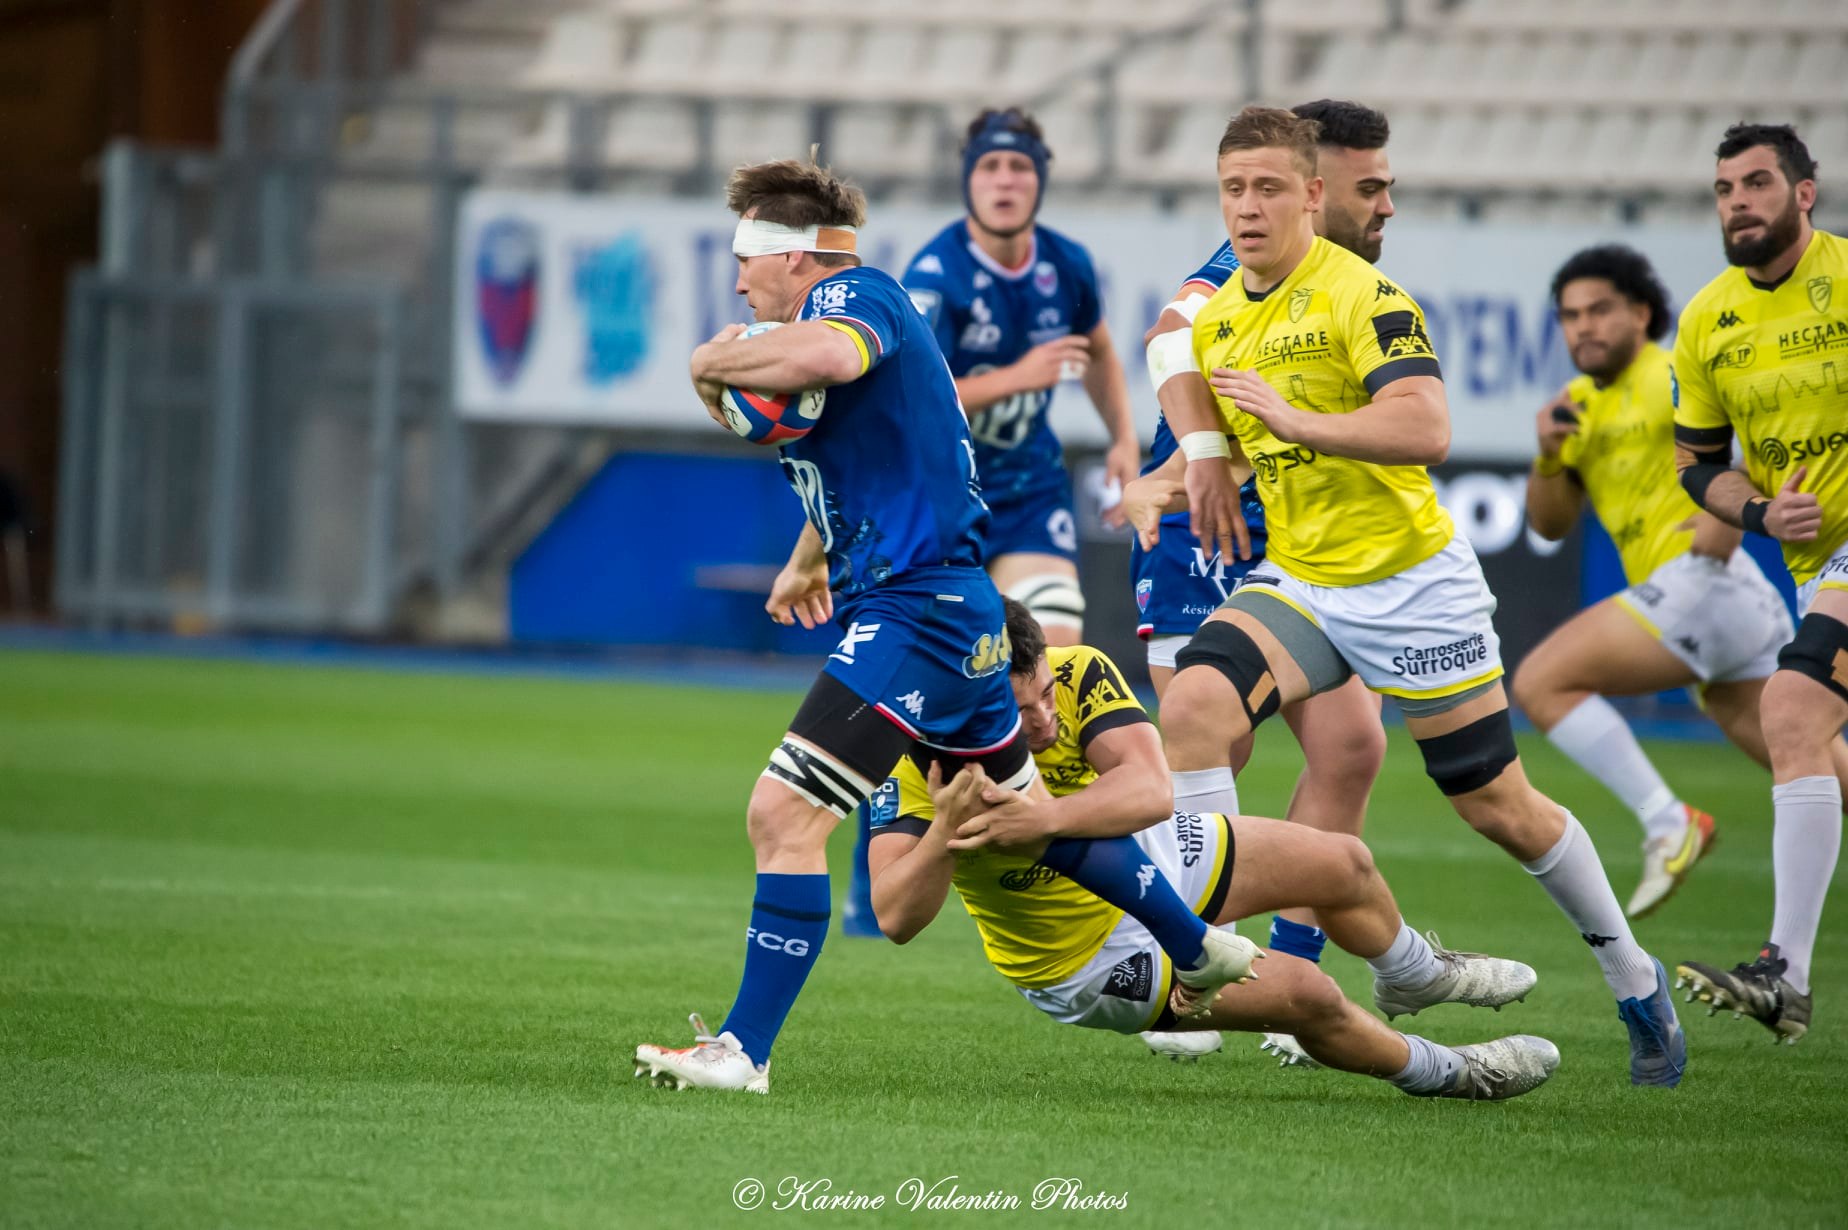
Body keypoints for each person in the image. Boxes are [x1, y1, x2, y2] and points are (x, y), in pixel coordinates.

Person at [634, 156, 1256, 1094]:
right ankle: (1192, 941)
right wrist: (808, 557)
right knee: (1012, 812)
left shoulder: (858, 294)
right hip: (950, 607)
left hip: (916, 611)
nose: (738, 280)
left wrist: (706, 359)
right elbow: (848, 446)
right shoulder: (825, 322)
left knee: (784, 812)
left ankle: (743, 1051)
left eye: (746, 260)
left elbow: (827, 360)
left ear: (797, 257)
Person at [1152, 106, 1686, 1087]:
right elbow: (1195, 387)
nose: (1248, 208)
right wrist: (1195, 464)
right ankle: (1207, 948)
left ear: (1313, 194)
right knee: (1192, 702)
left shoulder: (1368, 296)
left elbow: (1426, 426)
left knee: (1498, 805)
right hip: (1306, 583)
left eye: (1269, 187)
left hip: (1412, 586)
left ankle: (1631, 973)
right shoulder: (1226, 313)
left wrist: (1299, 422)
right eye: (1233, 189)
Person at [867, 600, 1555, 1101]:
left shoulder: (1079, 671)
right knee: (1309, 994)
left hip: (1153, 854)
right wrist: (943, 837)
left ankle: (1410, 973)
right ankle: (1451, 1073)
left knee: (1345, 863)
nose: (1044, 719)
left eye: (1044, 692)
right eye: (1018, 713)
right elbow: (896, 917)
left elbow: (1150, 793)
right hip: (1084, 956)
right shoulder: (912, 755)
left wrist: (1042, 819)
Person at [1125, 99, 1398, 1062]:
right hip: (1204, 534)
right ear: (1320, 187)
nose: (1384, 205)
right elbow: (1165, 340)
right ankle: (1198, 967)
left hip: (1289, 539)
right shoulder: (1237, 268)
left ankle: (1292, 968)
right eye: (1370, 186)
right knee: (1213, 754)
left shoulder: (1351, 283)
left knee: (1354, 747)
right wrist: (1194, 457)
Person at [1514, 244, 1803, 918]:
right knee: (1809, 764)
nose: (1583, 326)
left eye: (1599, 310)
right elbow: (1550, 526)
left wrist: (1722, 526)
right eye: (1569, 315)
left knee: (1540, 682)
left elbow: (1752, 435)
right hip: (1720, 606)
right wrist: (1549, 457)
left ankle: (1667, 822)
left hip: (1705, 579)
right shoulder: (1577, 406)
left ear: (1642, 312)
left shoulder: (1670, 373)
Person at [1671, 123, 1848, 1044]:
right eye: (1724, 189)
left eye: (1757, 184)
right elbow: (1700, 467)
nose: (1738, 202)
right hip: (1819, 560)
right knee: (1805, 727)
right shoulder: (1707, 320)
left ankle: (1784, 973)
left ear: (1804, 193)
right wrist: (1761, 515)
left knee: (1789, 708)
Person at [902, 107, 1140, 647]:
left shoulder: (1067, 263)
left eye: (1019, 166)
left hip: (1029, 493)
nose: (1005, 179)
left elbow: (1098, 351)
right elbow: (915, 402)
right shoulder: (935, 277)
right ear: (968, 180)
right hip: (942, 500)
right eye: (990, 166)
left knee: (1052, 660)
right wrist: (1018, 377)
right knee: (949, 677)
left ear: (1040, 181)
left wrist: (1123, 438)